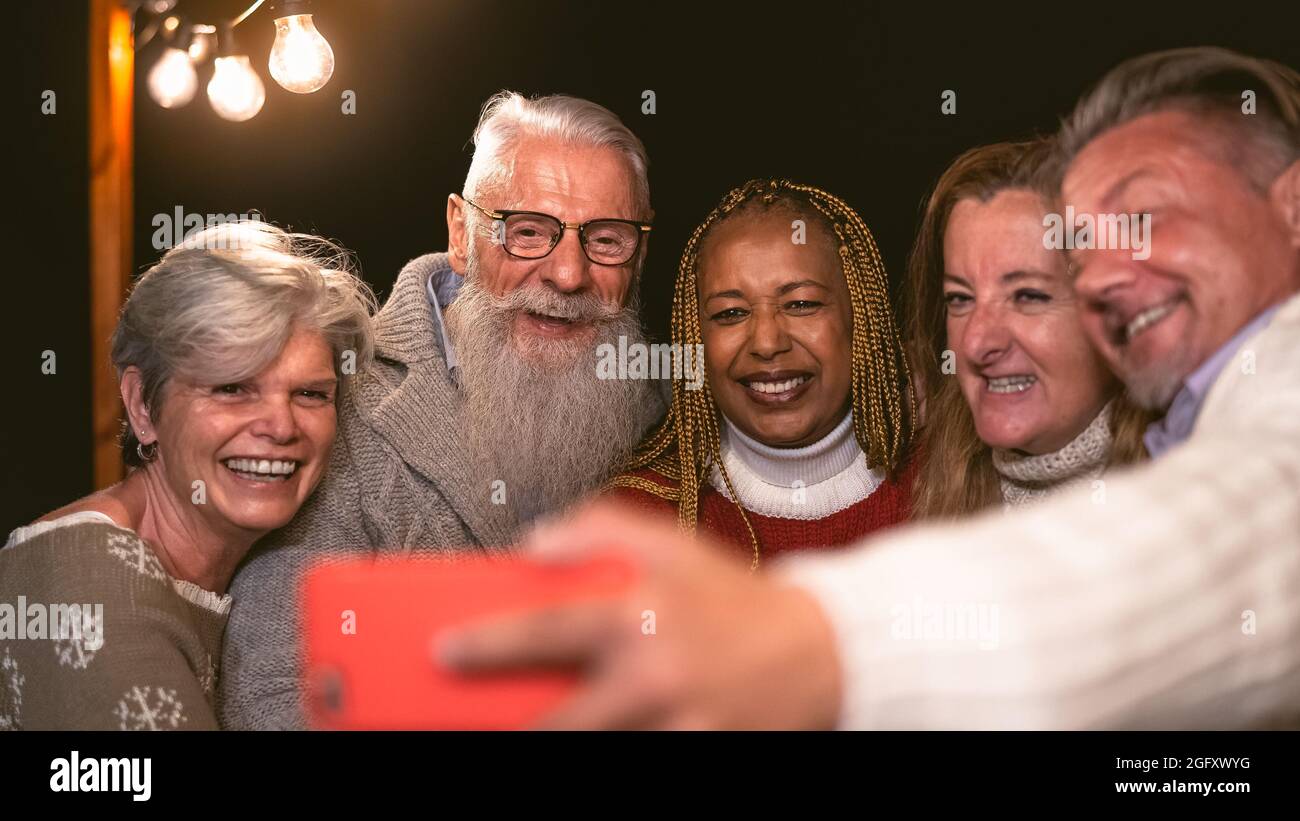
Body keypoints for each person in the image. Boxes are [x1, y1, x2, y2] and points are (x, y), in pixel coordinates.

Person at [439, 47, 1300, 729]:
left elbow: (1252, 526)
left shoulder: (953, 465)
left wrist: (814, 646)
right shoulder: (974, 469)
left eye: (1146, 221)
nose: (1116, 269)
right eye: (961, 298)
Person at [220, 91, 665, 729]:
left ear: (639, 251)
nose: (569, 274)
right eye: (528, 232)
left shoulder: (664, 410)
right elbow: (274, 694)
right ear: (462, 234)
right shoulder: (335, 407)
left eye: (607, 239)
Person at [0, 222, 375, 730]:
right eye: (232, 388)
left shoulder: (220, 573)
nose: (281, 427)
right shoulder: (87, 576)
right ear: (141, 406)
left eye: (310, 394)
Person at [608, 179, 916, 567]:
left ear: (862, 318)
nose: (768, 343)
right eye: (730, 313)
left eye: (801, 304)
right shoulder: (638, 521)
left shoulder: (955, 482)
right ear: (696, 337)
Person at [904, 139, 1149, 517]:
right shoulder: (930, 478)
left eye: (1028, 296)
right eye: (960, 299)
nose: (974, 343)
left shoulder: (1200, 488)